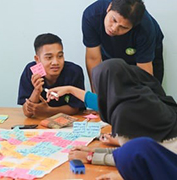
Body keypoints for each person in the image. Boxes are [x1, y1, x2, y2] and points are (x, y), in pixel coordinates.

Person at [47, 59, 177, 179]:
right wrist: (94, 150)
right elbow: (141, 150)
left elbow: (131, 156)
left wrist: (91, 157)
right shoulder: (142, 96)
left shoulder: (126, 112)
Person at [82, 0, 164, 88]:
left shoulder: (145, 29)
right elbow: (93, 59)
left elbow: (144, 72)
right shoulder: (92, 15)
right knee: (110, 91)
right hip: (110, 53)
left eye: (123, 27)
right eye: (113, 20)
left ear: (133, 27)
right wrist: (96, 95)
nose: (114, 28)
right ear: (109, 7)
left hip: (144, 57)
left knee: (150, 94)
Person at [17, 33, 85, 118]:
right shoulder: (30, 71)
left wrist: (48, 111)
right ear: (37, 59)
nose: (55, 62)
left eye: (60, 56)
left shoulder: (74, 71)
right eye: (49, 57)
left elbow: (75, 108)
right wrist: (36, 91)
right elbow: (27, 112)